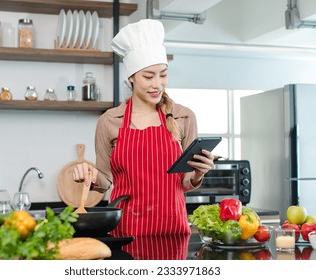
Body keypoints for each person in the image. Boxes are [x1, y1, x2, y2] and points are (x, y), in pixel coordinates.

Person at [73, 19, 215, 237]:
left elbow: (185, 182)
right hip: (125, 230)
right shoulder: (110, 120)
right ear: (131, 77)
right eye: (148, 76)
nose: (157, 83)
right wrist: (90, 175)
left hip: (173, 231)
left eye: (163, 74)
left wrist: (198, 173)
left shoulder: (184, 116)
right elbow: (104, 180)